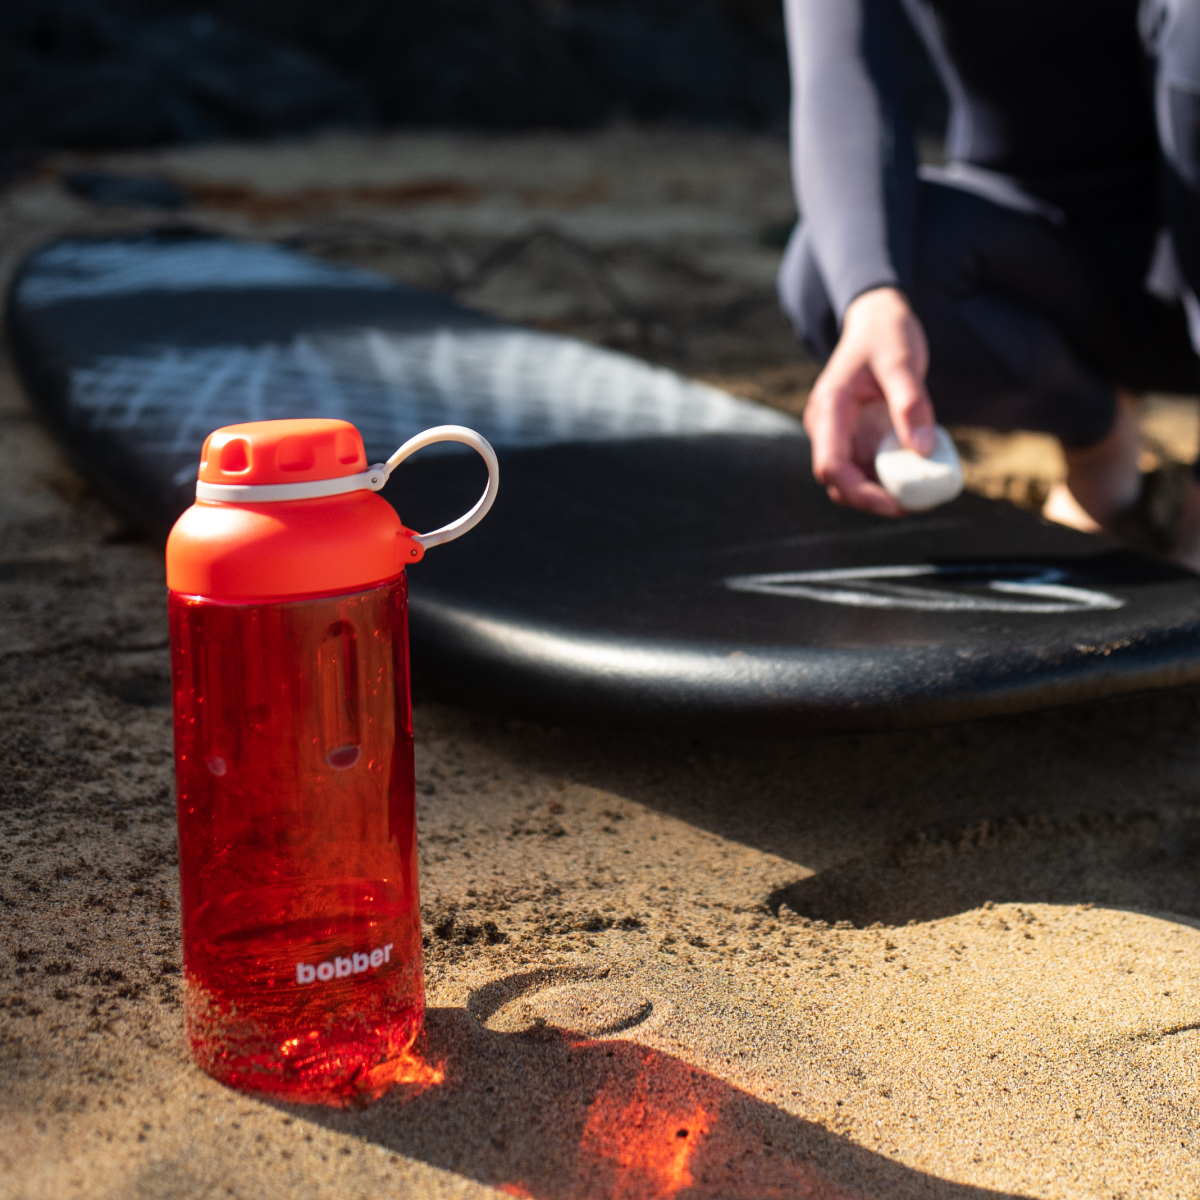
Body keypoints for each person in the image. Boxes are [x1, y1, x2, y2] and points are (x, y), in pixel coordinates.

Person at [778, 0, 1200, 566]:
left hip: (1183, 238)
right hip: (1046, 264)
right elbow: (841, 73)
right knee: (836, 278)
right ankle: (1098, 436)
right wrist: (872, 295)